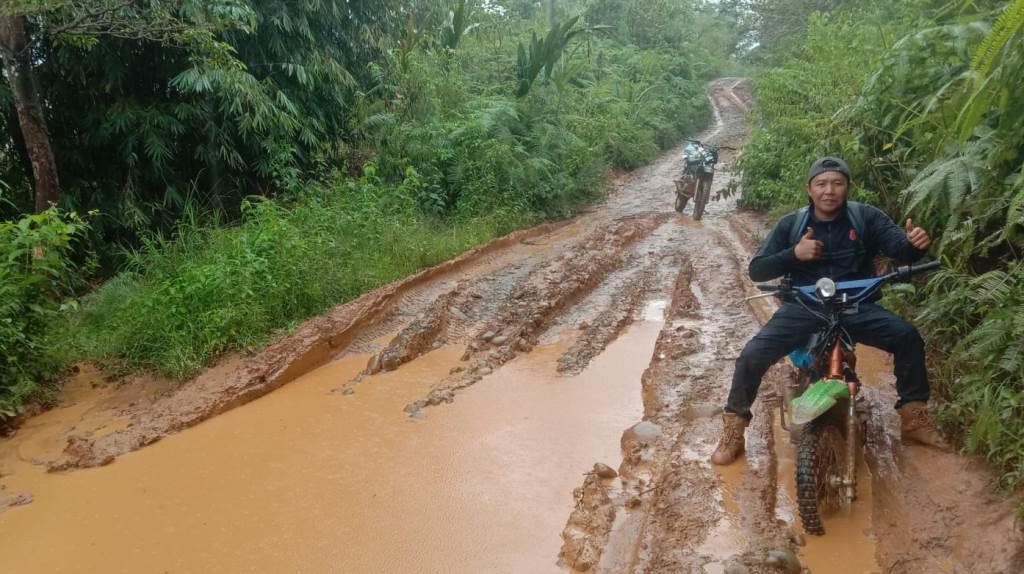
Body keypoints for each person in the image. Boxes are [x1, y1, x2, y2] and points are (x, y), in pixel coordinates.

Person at [710, 156, 950, 466]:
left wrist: (915, 245)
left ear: (847, 187)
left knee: (907, 337)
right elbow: (758, 270)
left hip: (856, 306)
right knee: (752, 355)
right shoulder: (791, 224)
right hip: (804, 307)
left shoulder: (866, 218)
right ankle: (734, 430)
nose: (829, 190)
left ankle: (914, 418)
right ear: (809, 189)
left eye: (837, 183)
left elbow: (899, 249)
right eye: (821, 184)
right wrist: (794, 254)